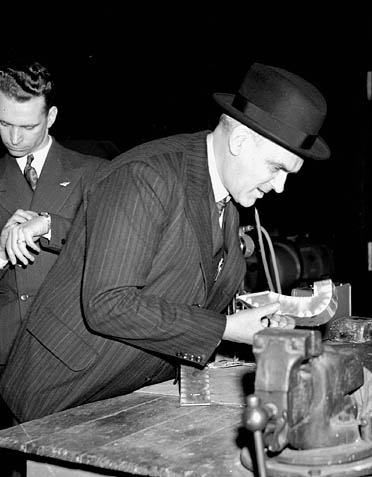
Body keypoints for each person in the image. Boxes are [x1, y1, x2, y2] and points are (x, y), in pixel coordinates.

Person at [0, 62, 330, 422]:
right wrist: (228, 330)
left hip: (122, 395)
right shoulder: (147, 176)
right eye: (276, 168)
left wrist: (249, 318)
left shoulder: (225, 199)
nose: (279, 186)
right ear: (239, 141)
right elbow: (109, 304)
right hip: (57, 397)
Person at [0, 59, 105, 379]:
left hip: (71, 351)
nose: (15, 138)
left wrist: (49, 223)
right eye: (4, 123)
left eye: (28, 126)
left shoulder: (94, 172)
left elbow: (111, 249)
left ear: (52, 117)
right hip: (5, 354)